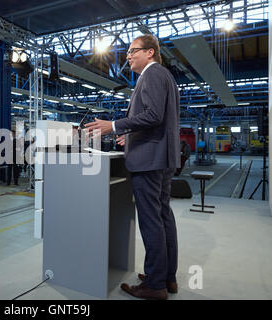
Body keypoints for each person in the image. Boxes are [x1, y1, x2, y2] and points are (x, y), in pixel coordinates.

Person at [84, 34, 180, 300]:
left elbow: (152, 115)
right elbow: (158, 120)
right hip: (161, 157)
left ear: (150, 52)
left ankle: (154, 285)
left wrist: (113, 126)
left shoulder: (151, 75)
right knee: (162, 218)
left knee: (151, 222)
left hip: (149, 160)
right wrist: (131, 134)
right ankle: (165, 277)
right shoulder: (164, 76)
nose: (127, 56)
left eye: (132, 50)